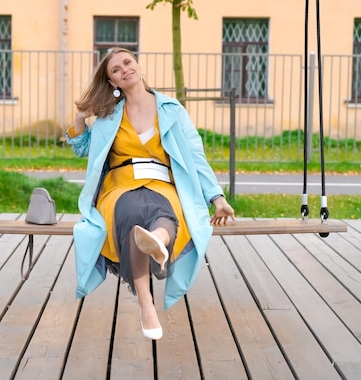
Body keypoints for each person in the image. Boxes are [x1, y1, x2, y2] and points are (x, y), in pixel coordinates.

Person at [66, 47, 235, 340]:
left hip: (162, 183)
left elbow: (195, 155)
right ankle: (147, 300)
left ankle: (156, 240)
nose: (124, 70)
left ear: (139, 65)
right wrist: (81, 118)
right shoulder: (108, 116)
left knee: (162, 210)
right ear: (113, 83)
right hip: (120, 185)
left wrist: (217, 199)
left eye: (127, 62)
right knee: (133, 212)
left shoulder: (171, 109)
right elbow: (83, 148)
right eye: (115, 70)